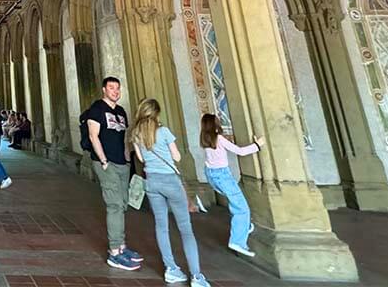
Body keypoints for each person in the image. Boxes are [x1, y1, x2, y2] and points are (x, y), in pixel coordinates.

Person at [132, 98, 210, 287]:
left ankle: (171, 269)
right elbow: (177, 156)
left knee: (161, 226)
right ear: (156, 113)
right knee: (185, 229)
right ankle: (197, 277)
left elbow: (141, 159)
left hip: (152, 182)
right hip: (170, 181)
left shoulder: (135, 134)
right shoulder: (164, 131)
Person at [84, 76, 141, 271]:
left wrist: (126, 159)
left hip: (121, 163)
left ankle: (122, 246)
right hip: (106, 163)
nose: (115, 91)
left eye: (117, 88)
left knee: (123, 203)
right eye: (111, 88)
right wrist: (103, 160)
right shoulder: (97, 109)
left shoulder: (121, 111)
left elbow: (123, 137)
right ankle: (115, 252)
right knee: (114, 205)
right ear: (103, 90)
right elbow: (93, 136)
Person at [200, 113, 263, 258]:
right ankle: (237, 241)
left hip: (211, 176)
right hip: (223, 177)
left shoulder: (206, 140)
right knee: (242, 209)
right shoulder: (219, 139)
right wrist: (258, 145)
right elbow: (240, 151)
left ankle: (244, 227)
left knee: (236, 204)